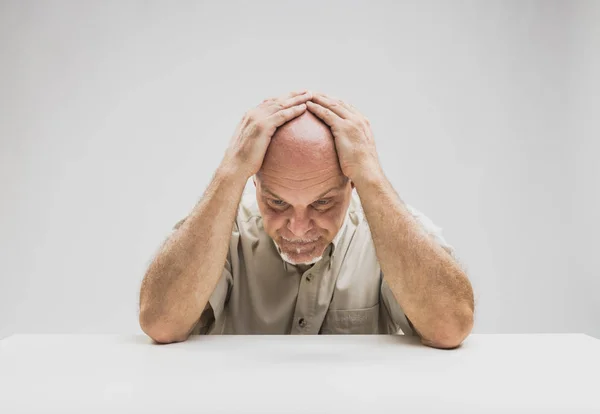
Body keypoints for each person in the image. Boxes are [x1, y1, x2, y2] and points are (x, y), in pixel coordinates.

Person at [139, 90, 474, 349]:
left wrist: (372, 174)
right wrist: (230, 171)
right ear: (254, 185)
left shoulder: (388, 230)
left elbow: (450, 327)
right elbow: (160, 323)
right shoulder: (226, 227)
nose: (298, 227)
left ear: (351, 185)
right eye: (277, 202)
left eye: (323, 202)